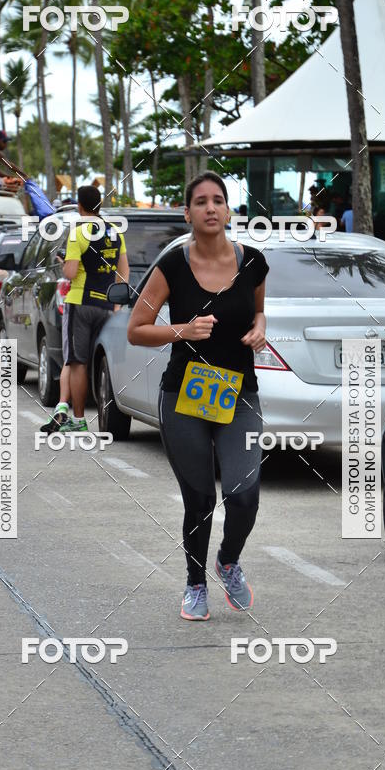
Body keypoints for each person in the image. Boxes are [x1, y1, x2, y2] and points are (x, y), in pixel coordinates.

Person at [127, 171, 269, 622]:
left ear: (228, 210)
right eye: (201, 201)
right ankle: (194, 584)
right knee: (200, 500)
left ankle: (227, 561)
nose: (211, 208)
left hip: (239, 393)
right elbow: (136, 330)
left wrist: (260, 328)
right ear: (187, 213)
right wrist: (182, 331)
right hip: (184, 397)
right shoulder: (172, 265)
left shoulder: (253, 262)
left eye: (218, 200)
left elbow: (259, 310)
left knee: (244, 495)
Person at [49, 185, 129, 433]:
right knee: (98, 361)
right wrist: (116, 303)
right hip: (106, 305)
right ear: (99, 204)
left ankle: (79, 420)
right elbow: (124, 272)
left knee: (77, 362)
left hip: (80, 303)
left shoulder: (78, 233)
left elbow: (72, 272)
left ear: (80, 206)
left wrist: (63, 263)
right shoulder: (115, 232)